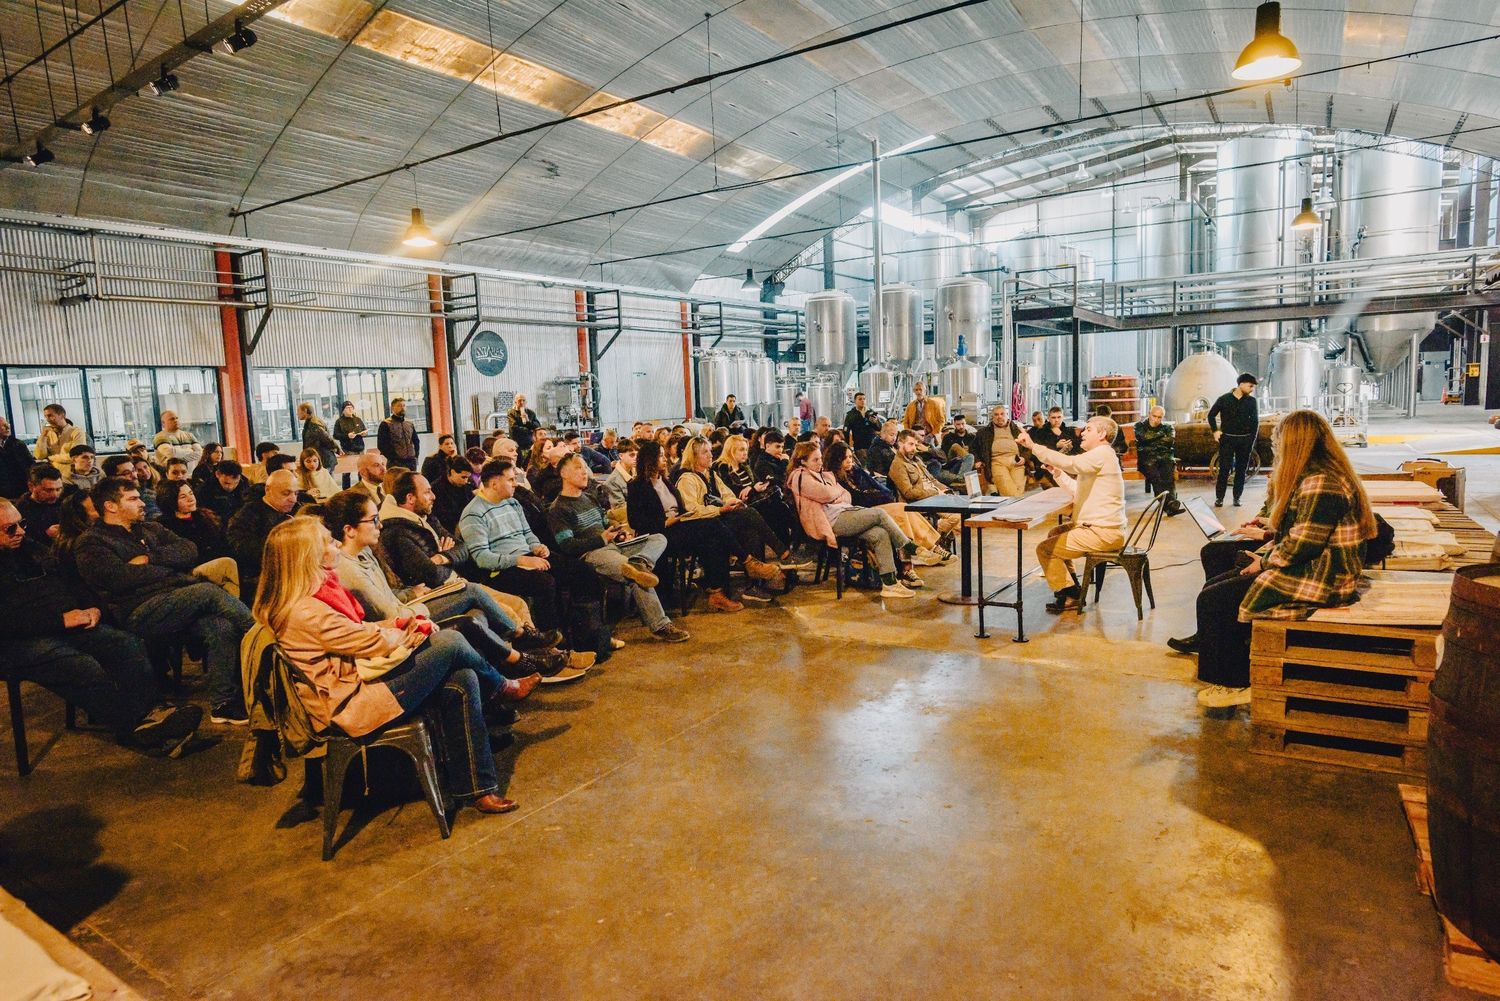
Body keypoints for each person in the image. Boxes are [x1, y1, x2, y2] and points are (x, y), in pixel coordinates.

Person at [254, 517, 520, 816]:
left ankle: (477, 788)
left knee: (463, 677)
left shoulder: (312, 596)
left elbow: (360, 631)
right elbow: (367, 641)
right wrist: (410, 632)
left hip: (358, 680)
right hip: (349, 701)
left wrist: (399, 623)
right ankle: (503, 686)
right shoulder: (305, 610)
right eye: (328, 541)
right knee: (451, 642)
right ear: (308, 555)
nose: (336, 544)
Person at [1191, 410, 1376, 710]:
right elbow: (1305, 532)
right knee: (1218, 582)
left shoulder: (1321, 482)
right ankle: (1233, 664)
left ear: (1294, 442)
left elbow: (1303, 545)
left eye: (1278, 440)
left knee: (1216, 599)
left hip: (1325, 577)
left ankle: (1235, 681)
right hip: (1316, 566)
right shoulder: (1316, 475)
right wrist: (1270, 533)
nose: (1275, 445)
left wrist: (1263, 563)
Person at [0, 499, 203, 755]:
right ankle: (137, 727)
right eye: (10, 528)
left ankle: (152, 715)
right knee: (80, 665)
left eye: (22, 523)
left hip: (63, 624)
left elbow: (72, 582)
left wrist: (92, 608)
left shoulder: (29, 549)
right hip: (14, 641)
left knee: (126, 644)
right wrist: (59, 620)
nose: (20, 531)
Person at [325, 488, 561, 683]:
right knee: (472, 597)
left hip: (408, 606)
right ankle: (519, 653)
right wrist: (416, 596)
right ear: (349, 530)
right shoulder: (350, 570)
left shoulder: (365, 552)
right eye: (373, 520)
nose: (380, 525)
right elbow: (392, 609)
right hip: (401, 625)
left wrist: (411, 591)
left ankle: (514, 662)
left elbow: (459, 549)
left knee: (476, 611)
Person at [76, 477, 255, 724]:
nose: (142, 503)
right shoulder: (92, 542)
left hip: (177, 600)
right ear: (111, 506)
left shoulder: (149, 528)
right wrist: (170, 570)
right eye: (133, 499)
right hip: (138, 610)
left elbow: (188, 549)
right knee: (208, 591)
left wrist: (149, 559)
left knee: (221, 626)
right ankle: (263, 636)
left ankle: (222, 703)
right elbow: (120, 579)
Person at [549, 453, 690, 642]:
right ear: (564, 473)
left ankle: (641, 561)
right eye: (578, 468)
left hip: (615, 545)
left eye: (584, 467)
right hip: (593, 554)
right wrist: (601, 539)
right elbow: (567, 545)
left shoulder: (589, 498)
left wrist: (617, 531)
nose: (584, 472)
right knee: (634, 574)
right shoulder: (559, 509)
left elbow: (605, 522)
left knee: (658, 538)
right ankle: (661, 625)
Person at [1016, 415, 1127, 614]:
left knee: (1045, 549)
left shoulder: (1102, 453)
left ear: (1102, 435)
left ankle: (1071, 594)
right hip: (1099, 528)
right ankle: (1072, 587)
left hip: (1102, 532)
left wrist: (1033, 446)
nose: (1082, 433)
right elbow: (1078, 490)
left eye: (1089, 429)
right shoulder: (1101, 456)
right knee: (1054, 534)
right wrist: (1058, 473)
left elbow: (1071, 463)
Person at [626, 442, 753, 613]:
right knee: (714, 526)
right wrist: (663, 522)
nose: (665, 459)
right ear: (650, 460)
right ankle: (747, 561)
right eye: (661, 456)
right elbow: (635, 521)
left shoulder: (665, 481)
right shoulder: (637, 486)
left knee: (715, 538)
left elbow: (681, 508)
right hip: (661, 533)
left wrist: (683, 517)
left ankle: (718, 594)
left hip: (679, 525)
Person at [785, 441, 923, 598]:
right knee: (879, 514)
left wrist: (832, 495)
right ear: (802, 461)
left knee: (879, 534)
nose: (820, 462)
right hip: (830, 523)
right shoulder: (799, 476)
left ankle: (890, 584)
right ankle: (910, 547)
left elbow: (847, 496)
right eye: (815, 460)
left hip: (844, 513)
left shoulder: (825, 475)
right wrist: (834, 494)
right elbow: (828, 494)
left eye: (820, 458)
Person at [459, 459, 570, 630]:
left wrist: (537, 547)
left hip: (526, 556)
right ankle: (552, 641)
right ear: (494, 483)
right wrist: (521, 560)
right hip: (499, 570)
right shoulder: (473, 514)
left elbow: (527, 533)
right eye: (510, 480)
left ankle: (582, 637)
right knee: (545, 583)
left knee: (574, 570)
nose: (516, 484)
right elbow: (482, 558)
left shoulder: (512, 502)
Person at [675, 437, 787, 582]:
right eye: (705, 452)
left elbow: (726, 493)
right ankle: (779, 551)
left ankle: (756, 581)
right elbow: (692, 510)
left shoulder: (710, 474)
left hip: (717, 518)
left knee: (751, 528)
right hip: (702, 524)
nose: (710, 455)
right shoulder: (687, 479)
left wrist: (734, 502)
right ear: (694, 456)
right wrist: (720, 510)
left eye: (710, 451)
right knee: (751, 515)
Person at [825, 441, 949, 560]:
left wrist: (877, 495)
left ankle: (928, 549)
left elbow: (883, 490)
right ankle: (927, 550)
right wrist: (877, 496)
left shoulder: (856, 471)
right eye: (845, 458)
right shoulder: (834, 478)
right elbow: (858, 499)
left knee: (903, 509)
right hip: (862, 512)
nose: (849, 460)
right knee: (900, 512)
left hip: (877, 505)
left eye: (850, 457)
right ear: (836, 460)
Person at [226, 468, 300, 600]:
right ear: (268, 490)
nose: (293, 499)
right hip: (264, 575)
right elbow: (241, 547)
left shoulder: (298, 508)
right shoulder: (247, 514)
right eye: (286, 493)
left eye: (296, 493)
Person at [887, 431, 961, 537]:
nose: (914, 448)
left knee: (963, 517)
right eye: (910, 444)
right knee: (956, 517)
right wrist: (935, 493)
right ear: (900, 443)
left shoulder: (917, 460)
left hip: (935, 497)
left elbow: (932, 480)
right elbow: (909, 493)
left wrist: (946, 490)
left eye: (915, 445)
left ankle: (941, 537)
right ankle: (937, 537)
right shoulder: (898, 465)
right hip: (921, 501)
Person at [1208, 373, 1260, 508]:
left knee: (1241, 470)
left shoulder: (1251, 401)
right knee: (1224, 469)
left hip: (1245, 440)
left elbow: (1255, 422)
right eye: (1250, 386)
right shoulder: (1224, 399)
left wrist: (1251, 440)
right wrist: (1215, 430)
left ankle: (1237, 498)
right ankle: (1219, 498)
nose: (1252, 389)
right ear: (1241, 384)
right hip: (1227, 439)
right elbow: (1211, 415)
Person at [157, 480, 230, 562]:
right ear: (170, 501)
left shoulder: (205, 516)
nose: (191, 499)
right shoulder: (164, 525)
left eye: (191, 493)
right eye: (183, 497)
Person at [1134, 405, 1184, 515]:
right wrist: (1161, 437)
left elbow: (1169, 440)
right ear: (1149, 414)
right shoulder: (1139, 426)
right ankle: (1170, 504)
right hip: (1147, 460)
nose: (1156, 420)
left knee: (1168, 478)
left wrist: (1151, 442)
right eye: (1154, 416)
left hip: (1165, 458)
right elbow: (1144, 437)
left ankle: (1169, 505)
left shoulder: (1168, 427)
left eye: (1159, 417)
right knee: (1156, 478)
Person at [974, 404, 1027, 497]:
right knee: (1009, 490)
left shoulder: (1017, 430)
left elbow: (1028, 447)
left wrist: (1024, 458)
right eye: (996, 414)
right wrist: (977, 460)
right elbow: (973, 448)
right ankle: (1017, 509)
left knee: (1018, 487)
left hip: (1017, 462)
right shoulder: (983, 433)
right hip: (997, 462)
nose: (999, 417)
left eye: (1002, 414)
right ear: (992, 417)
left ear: (1007, 415)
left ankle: (1013, 509)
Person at [33, 404, 86, 473]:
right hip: (53, 475)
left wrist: (51, 458)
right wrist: (43, 436)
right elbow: (39, 456)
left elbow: (75, 456)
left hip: (72, 475)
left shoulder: (77, 432)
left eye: (50, 416)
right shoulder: (48, 434)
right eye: (46, 416)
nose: (47, 419)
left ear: (62, 415)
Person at [17, 464, 65, 540]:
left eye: (58, 489)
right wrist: (46, 534)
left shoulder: (64, 501)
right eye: (48, 490)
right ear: (31, 486)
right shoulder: (20, 511)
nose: (55, 495)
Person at [432, 455, 476, 532]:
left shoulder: (467, 486)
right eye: (463, 477)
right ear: (452, 472)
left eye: (467, 478)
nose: (466, 481)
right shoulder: (436, 489)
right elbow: (440, 516)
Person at [377, 398, 420, 470]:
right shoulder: (386, 424)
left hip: (411, 461)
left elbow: (416, 441)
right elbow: (382, 444)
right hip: (395, 462)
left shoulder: (409, 423)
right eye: (399, 406)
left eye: (404, 405)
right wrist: (393, 457)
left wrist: (416, 456)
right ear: (392, 408)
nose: (402, 408)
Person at [298, 402, 340, 473]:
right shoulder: (310, 422)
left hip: (324, 461)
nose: (297, 414)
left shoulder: (314, 424)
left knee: (325, 483)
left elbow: (327, 438)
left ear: (305, 411)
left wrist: (337, 449)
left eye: (298, 411)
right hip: (321, 459)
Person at [0, 416, 34, 498]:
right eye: (3, 425)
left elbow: (30, 465)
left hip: (21, 490)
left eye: (7, 424)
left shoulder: (18, 444)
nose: (8, 427)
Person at [604, 439, 637, 512]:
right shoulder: (612, 482)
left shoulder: (637, 473)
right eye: (632, 455)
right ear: (621, 456)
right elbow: (621, 510)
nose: (636, 458)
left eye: (637, 455)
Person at [507, 394, 542, 459]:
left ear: (526, 402)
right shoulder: (511, 412)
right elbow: (514, 427)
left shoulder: (531, 413)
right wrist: (529, 430)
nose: (522, 402)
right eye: (519, 400)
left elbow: (537, 426)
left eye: (523, 400)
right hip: (517, 444)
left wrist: (528, 420)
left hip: (529, 444)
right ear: (515, 402)